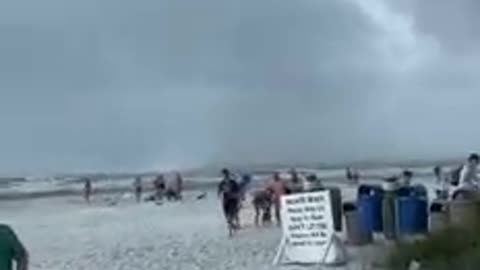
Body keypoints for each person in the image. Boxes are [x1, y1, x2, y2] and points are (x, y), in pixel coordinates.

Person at [217, 169, 241, 237]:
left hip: (233, 201)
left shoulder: (233, 182)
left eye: (226, 174)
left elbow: (238, 191)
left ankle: (230, 232)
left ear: (228, 174)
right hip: (226, 201)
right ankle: (234, 226)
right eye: (224, 174)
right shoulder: (222, 183)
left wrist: (237, 197)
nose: (225, 176)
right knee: (227, 217)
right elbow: (219, 191)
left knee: (231, 216)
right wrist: (219, 194)